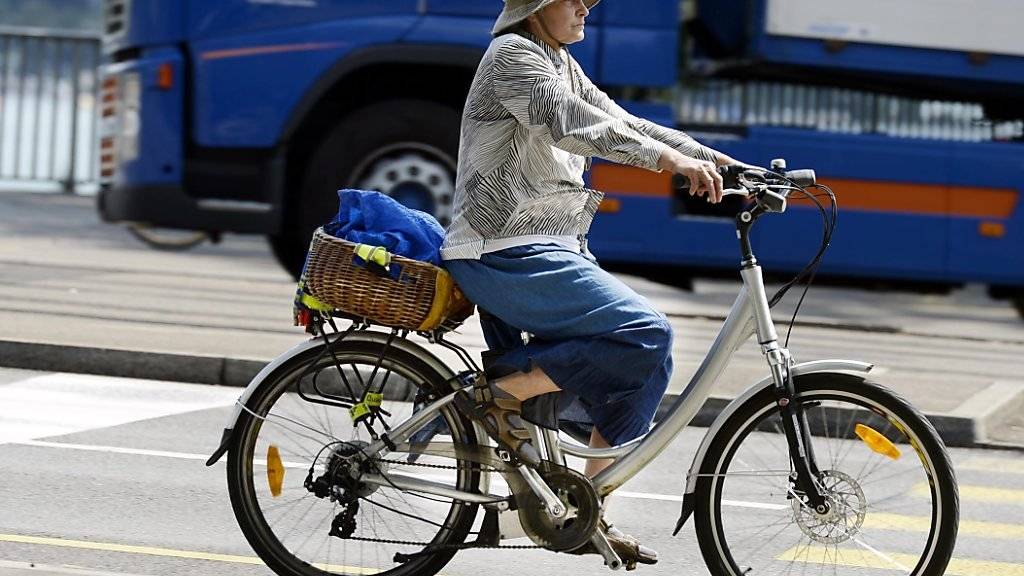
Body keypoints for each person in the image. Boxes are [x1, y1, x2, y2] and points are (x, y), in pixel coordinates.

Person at [441, 0, 747, 567]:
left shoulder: (557, 59)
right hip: (502, 248)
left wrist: (725, 165)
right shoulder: (512, 57)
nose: (586, 7)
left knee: (648, 365)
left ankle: (589, 513)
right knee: (644, 332)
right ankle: (502, 397)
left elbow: (621, 119)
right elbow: (573, 123)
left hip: (548, 248)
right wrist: (667, 164)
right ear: (536, 6)